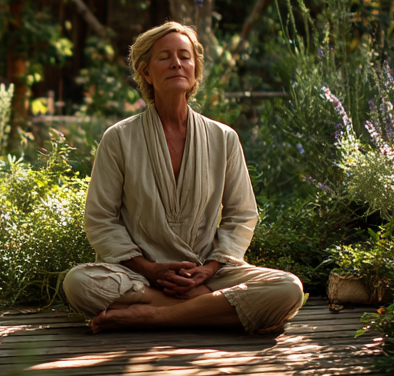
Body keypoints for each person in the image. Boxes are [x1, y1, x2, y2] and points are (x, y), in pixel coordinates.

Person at [62, 21, 304, 336]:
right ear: (146, 72)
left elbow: (241, 215)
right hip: (140, 277)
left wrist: (208, 270)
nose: (177, 62)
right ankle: (208, 309)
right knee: (78, 283)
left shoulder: (223, 138)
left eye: (185, 56)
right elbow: (101, 219)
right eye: (165, 56)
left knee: (289, 289)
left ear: (194, 70)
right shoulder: (119, 138)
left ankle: (156, 317)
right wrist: (149, 268)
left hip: (208, 274)